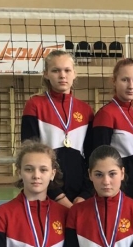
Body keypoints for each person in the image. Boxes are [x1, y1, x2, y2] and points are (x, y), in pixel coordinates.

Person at [21, 50, 95, 208]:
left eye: (67, 70)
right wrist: (59, 197)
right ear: (46, 74)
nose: (62, 75)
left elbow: (91, 158)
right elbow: (30, 155)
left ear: (74, 73)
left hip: (80, 196)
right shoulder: (35, 105)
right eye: (56, 70)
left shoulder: (86, 110)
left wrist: (85, 195)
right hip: (47, 192)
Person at [92, 58, 133, 203]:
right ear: (114, 81)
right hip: (120, 190)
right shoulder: (106, 114)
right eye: (125, 80)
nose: (131, 86)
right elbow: (99, 159)